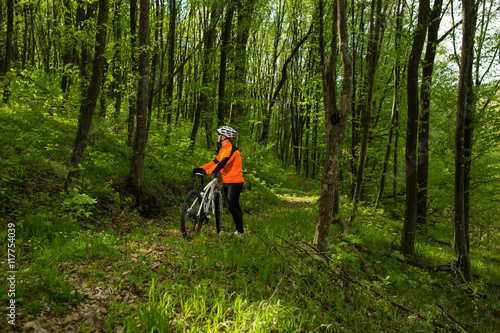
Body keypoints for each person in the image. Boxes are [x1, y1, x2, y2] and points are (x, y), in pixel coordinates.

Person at [192, 126, 245, 235]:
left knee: (231, 206)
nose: (217, 136)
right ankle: (239, 229)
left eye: (219, 134)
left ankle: (240, 232)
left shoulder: (231, 149)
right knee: (235, 206)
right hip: (227, 181)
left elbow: (222, 164)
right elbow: (215, 162)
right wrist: (202, 168)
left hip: (235, 182)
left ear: (224, 136)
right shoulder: (223, 149)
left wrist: (206, 172)